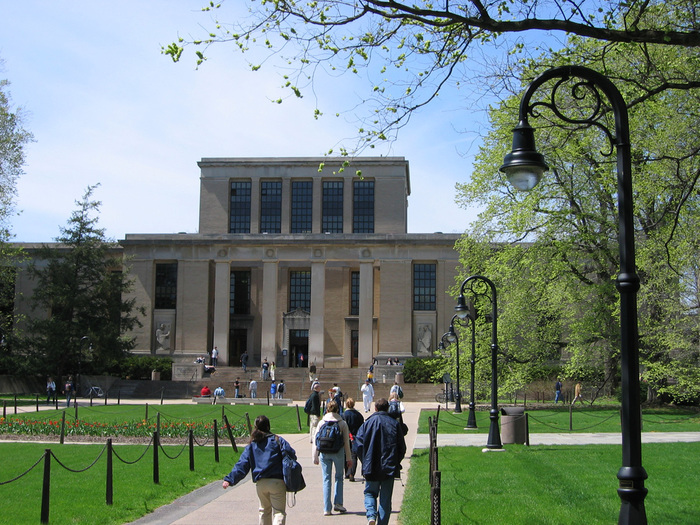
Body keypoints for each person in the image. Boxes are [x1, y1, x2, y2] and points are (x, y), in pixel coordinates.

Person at [223, 414, 297, 525]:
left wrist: (229, 479)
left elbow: (242, 465)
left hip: (261, 483)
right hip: (277, 481)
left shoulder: (252, 445)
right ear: (268, 426)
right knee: (279, 512)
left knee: (264, 511)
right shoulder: (278, 440)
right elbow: (291, 455)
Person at [354, 398, 407, 525]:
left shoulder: (367, 424)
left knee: (370, 493)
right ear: (387, 408)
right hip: (388, 466)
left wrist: (364, 460)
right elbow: (402, 447)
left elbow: (358, 445)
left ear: (375, 408)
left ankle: (371, 516)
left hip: (371, 465)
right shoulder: (394, 423)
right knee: (385, 498)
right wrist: (396, 460)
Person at [313, 400, 352, 516]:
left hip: (324, 452)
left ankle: (327, 507)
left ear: (327, 410)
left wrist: (315, 456)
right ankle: (338, 503)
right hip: (338, 452)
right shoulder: (342, 423)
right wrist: (349, 458)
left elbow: (316, 440)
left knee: (326, 479)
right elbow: (346, 442)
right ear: (337, 410)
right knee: (339, 477)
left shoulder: (322, 422)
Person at [342, 397, 364, 482]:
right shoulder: (359, 415)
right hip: (356, 438)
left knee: (345, 455)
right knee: (354, 456)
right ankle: (352, 473)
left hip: (346, 437)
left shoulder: (344, 415)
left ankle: (347, 472)